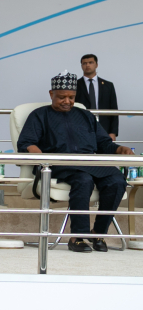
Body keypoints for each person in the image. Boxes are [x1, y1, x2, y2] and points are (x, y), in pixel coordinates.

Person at [18, 71, 133, 253]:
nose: (67, 101)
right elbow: (26, 143)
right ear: (51, 94)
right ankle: (78, 237)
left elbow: (103, 143)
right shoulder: (39, 115)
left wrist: (120, 149)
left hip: (89, 163)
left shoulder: (85, 115)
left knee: (117, 181)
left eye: (71, 97)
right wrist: (40, 156)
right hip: (59, 164)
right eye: (61, 97)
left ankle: (97, 234)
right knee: (83, 180)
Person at [76, 54, 119, 140]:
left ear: (96, 65)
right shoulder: (75, 85)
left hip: (104, 128)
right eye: (84, 63)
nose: (87, 65)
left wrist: (113, 132)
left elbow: (114, 110)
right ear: (81, 66)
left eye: (91, 62)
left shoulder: (108, 85)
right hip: (81, 128)